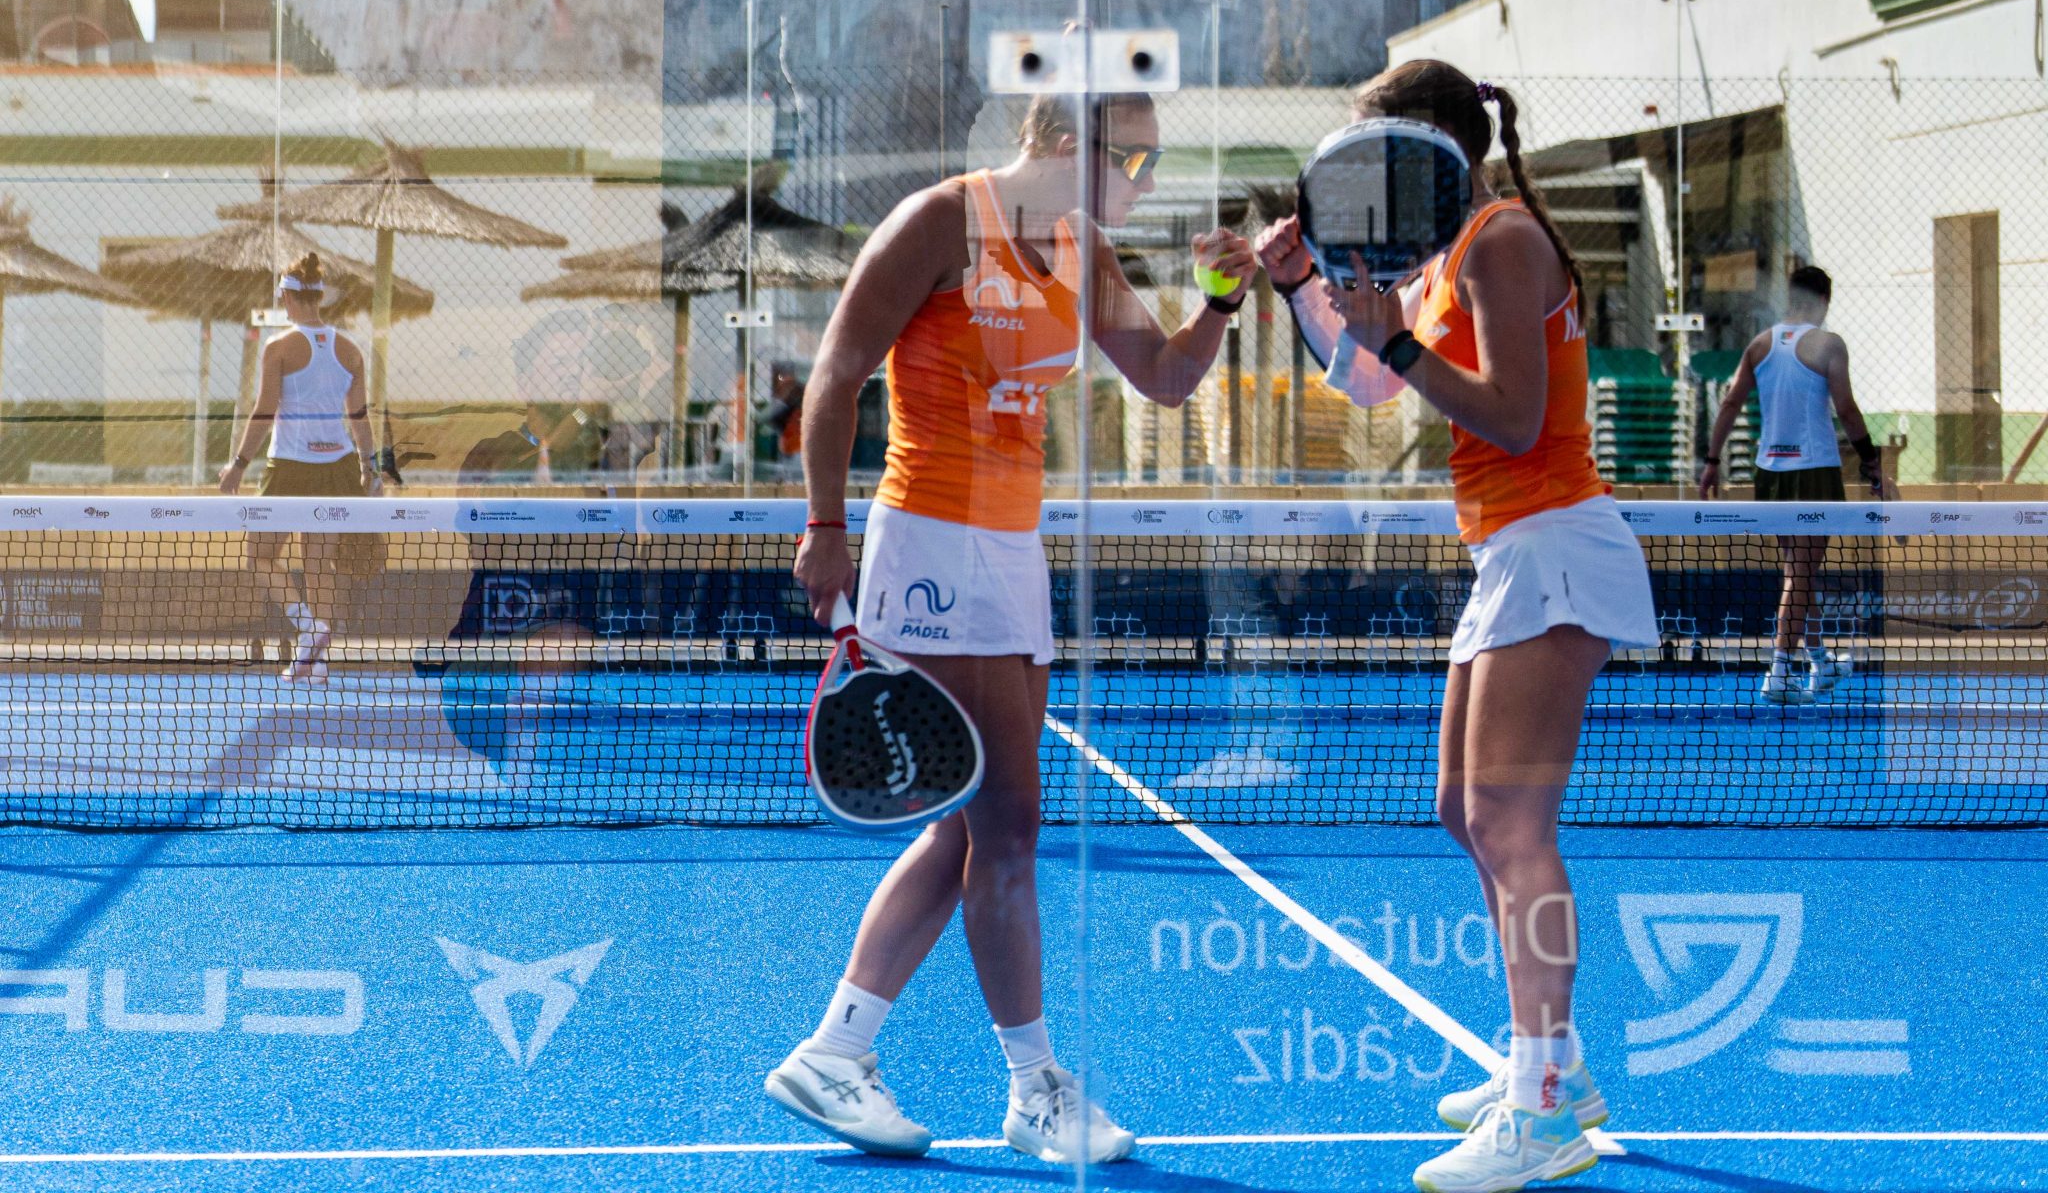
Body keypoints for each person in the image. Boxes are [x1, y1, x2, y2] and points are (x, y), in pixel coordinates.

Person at [765, 90, 1254, 1165]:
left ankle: (836, 1051)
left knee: (969, 826)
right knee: (1011, 825)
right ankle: (1034, 1088)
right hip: (931, 543)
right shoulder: (941, 221)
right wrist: (824, 527)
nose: (1147, 181)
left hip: (1013, 554)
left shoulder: (1084, 250)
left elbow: (1165, 378)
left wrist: (1219, 300)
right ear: (1067, 144)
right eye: (1136, 158)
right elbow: (836, 378)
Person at [1257, 61, 1656, 1193]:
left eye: (1370, 149)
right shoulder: (1446, 255)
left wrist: (1399, 345)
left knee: (1511, 825)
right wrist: (1301, 288)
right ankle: (1556, 1065)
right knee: (1461, 810)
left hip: (1553, 543)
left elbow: (1518, 420)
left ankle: (1541, 1108)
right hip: (1511, 551)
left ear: (1423, 149)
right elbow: (1374, 386)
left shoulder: (1500, 240)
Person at [1698, 261, 1894, 701]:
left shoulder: (1759, 344)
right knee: (1801, 575)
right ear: (1824, 300)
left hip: (1770, 474)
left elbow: (1729, 403)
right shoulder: (1828, 344)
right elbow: (1847, 409)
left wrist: (1711, 461)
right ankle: (1780, 671)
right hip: (1813, 472)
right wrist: (1871, 462)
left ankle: (1820, 663)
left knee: (1797, 572)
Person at [219, 251, 383, 683]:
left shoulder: (278, 347)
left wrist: (238, 464)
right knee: (318, 565)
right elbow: (359, 416)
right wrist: (369, 468)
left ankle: (309, 630)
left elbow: (264, 411)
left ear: (288, 297)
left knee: (259, 557)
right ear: (319, 297)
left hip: (290, 470)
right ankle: (316, 658)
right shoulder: (350, 350)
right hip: (338, 468)